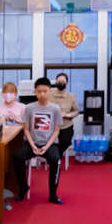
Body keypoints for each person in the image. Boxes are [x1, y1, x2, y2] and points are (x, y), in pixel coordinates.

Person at [10, 76, 63, 205]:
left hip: (49, 144)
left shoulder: (55, 109)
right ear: (35, 92)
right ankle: (23, 187)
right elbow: (26, 129)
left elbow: (56, 130)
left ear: (50, 91)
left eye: (45, 91)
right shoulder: (29, 108)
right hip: (31, 143)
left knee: (55, 160)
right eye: (39, 91)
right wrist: (33, 145)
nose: (42, 94)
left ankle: (53, 194)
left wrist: (47, 146)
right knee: (17, 156)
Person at [51, 72, 80, 159]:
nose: (61, 83)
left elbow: (76, 111)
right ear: (56, 82)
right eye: (59, 81)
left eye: (63, 81)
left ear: (67, 82)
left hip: (65, 126)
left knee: (66, 141)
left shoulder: (71, 97)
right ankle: (54, 157)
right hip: (51, 126)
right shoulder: (49, 94)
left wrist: (67, 115)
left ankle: (56, 157)